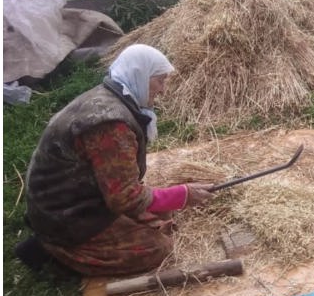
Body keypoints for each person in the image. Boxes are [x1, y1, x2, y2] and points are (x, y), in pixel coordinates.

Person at [15, 44, 216, 276]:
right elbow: (125, 198)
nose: (163, 90)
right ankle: (57, 252)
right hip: (65, 216)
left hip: (79, 198)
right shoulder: (111, 126)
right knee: (156, 248)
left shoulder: (110, 95)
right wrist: (183, 194)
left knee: (163, 213)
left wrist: (175, 198)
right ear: (140, 76)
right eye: (159, 81)